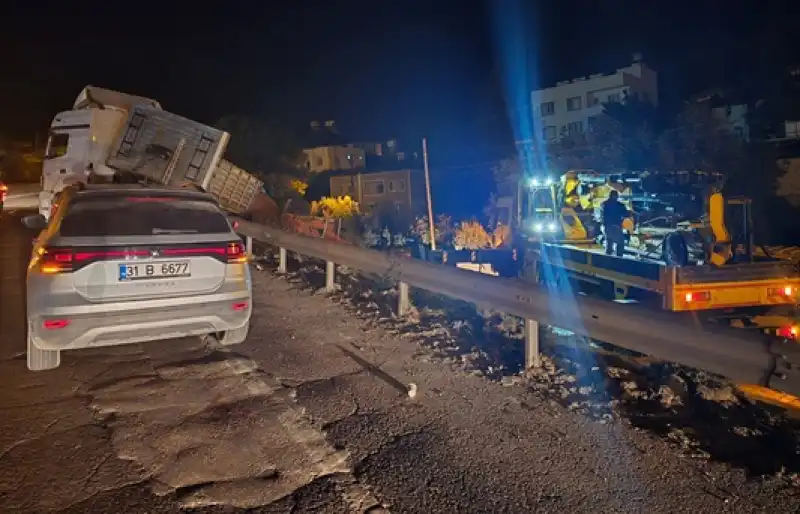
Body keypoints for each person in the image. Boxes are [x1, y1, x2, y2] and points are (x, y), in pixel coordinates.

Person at [601, 190, 628, 257]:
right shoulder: (620, 205)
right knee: (620, 242)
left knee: (609, 242)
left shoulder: (603, 204)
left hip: (607, 227)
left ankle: (607, 258)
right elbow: (625, 214)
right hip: (616, 227)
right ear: (615, 196)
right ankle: (619, 258)